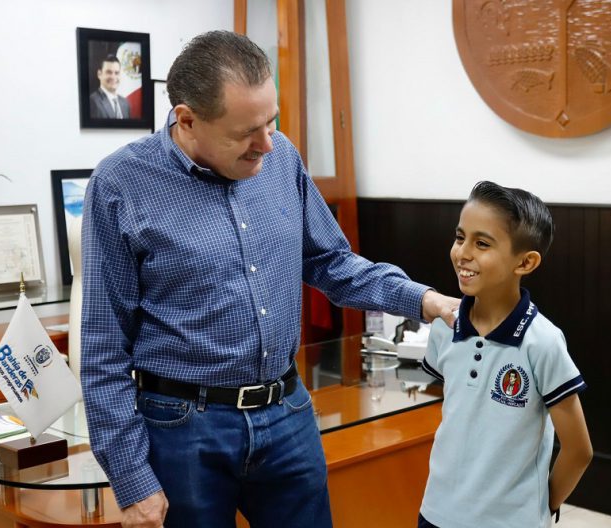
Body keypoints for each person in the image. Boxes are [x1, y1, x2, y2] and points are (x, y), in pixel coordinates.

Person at [80, 30, 458, 528]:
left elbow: (332, 263)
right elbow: (104, 349)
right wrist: (132, 478)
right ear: (187, 120)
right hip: (182, 429)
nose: (266, 144)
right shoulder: (120, 185)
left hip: (286, 414)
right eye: (245, 133)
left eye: (271, 122)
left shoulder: (281, 158)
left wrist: (427, 300)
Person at [419, 181, 593, 528]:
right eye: (459, 237)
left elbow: (579, 451)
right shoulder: (444, 327)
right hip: (436, 513)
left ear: (525, 262)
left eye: (482, 243)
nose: (463, 253)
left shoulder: (543, 342)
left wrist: (540, 508)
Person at [89, 54, 131, 119]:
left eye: (116, 73)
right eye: (109, 72)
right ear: (99, 74)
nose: (113, 77)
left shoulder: (125, 103)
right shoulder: (92, 102)